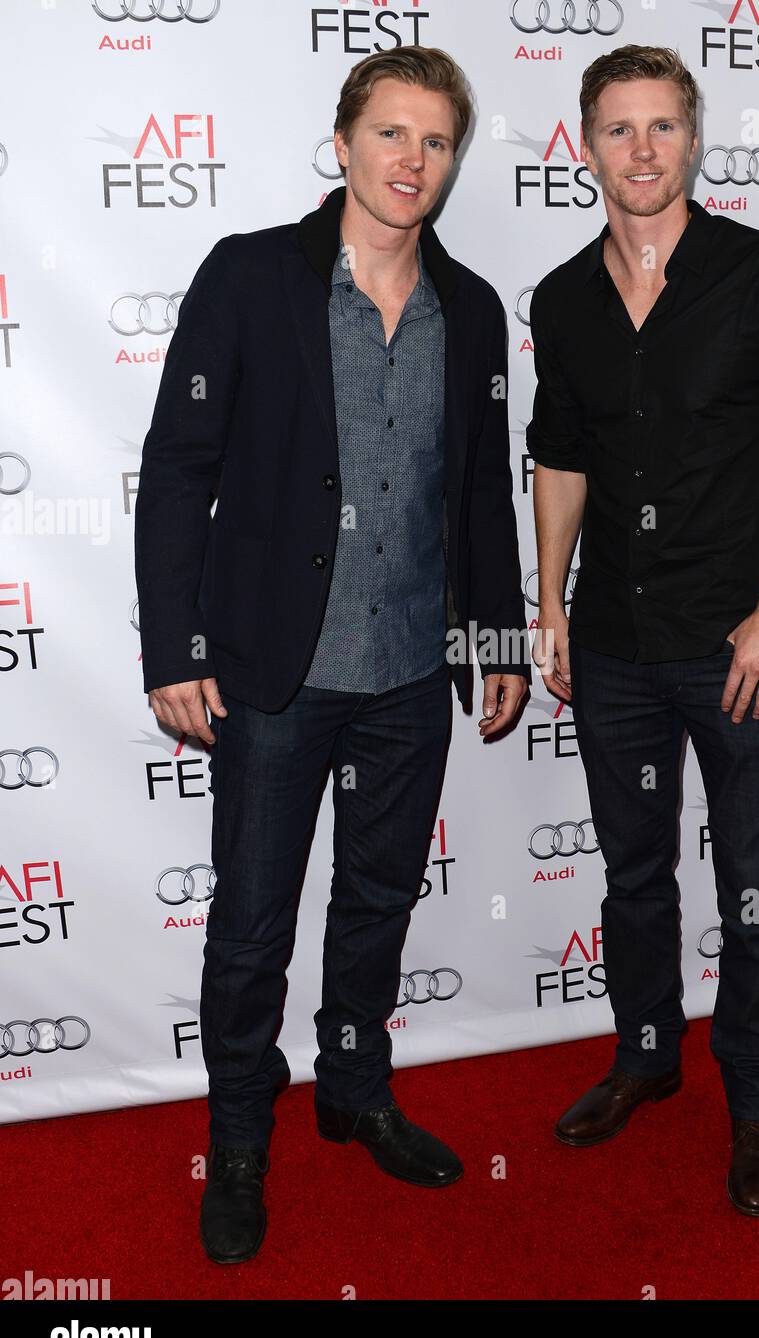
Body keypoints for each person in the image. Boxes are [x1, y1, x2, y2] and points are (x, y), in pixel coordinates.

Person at [134, 45, 530, 1264]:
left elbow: (478, 490)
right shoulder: (252, 278)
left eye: (436, 141)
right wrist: (172, 644)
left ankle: (356, 1092)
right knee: (252, 924)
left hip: (411, 673)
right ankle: (242, 1139)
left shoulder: (471, 309)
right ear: (344, 139)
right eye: (391, 134)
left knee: (375, 902)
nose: (411, 161)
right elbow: (178, 472)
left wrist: (495, 634)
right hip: (271, 674)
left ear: (453, 160)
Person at [526, 44, 759, 1217]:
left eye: (664, 126)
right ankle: (647, 1055)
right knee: (633, 873)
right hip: (612, 642)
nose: (643, 150)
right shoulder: (560, 300)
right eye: (619, 129)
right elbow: (556, 457)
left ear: (695, 137)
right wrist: (548, 602)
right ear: (584, 146)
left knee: (756, 879)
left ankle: (756, 1099)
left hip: (738, 648)